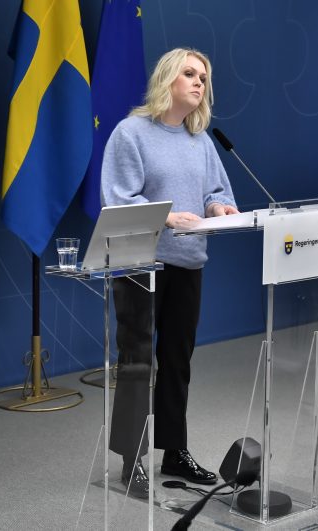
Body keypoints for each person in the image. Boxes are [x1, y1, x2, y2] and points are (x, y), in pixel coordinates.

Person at [101, 47, 239, 497]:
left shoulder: (200, 140)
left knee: (178, 361)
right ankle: (132, 460)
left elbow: (217, 191)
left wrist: (218, 207)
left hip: (187, 261)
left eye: (204, 77)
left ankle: (174, 451)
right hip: (141, 264)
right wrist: (167, 216)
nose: (199, 82)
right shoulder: (131, 133)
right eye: (190, 74)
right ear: (167, 79)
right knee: (138, 361)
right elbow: (119, 197)